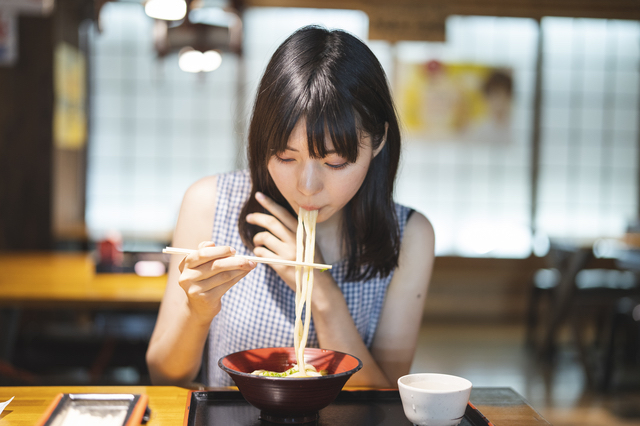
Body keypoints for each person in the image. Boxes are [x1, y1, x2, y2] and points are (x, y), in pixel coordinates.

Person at [146, 25, 435, 388]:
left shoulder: (409, 234)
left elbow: (385, 399)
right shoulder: (209, 203)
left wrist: (321, 294)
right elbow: (163, 375)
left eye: (334, 162)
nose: (307, 187)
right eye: (285, 156)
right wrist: (198, 312)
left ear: (378, 142)